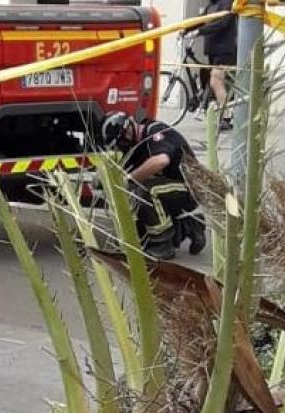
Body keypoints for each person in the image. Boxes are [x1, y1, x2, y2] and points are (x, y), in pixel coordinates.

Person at [99, 111, 205, 258]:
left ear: (130, 126)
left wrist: (129, 179)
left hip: (189, 187)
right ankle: (191, 224)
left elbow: (161, 161)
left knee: (147, 191)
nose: (125, 143)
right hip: (172, 189)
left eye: (125, 138)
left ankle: (162, 243)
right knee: (136, 192)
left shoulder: (156, 132)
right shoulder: (135, 149)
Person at [193, 0, 239, 129]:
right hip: (213, 50)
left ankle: (226, 116)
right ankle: (220, 111)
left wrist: (200, 31)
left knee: (216, 81)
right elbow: (199, 20)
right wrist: (185, 29)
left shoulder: (227, 3)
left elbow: (223, 23)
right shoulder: (211, 5)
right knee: (214, 81)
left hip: (224, 50)